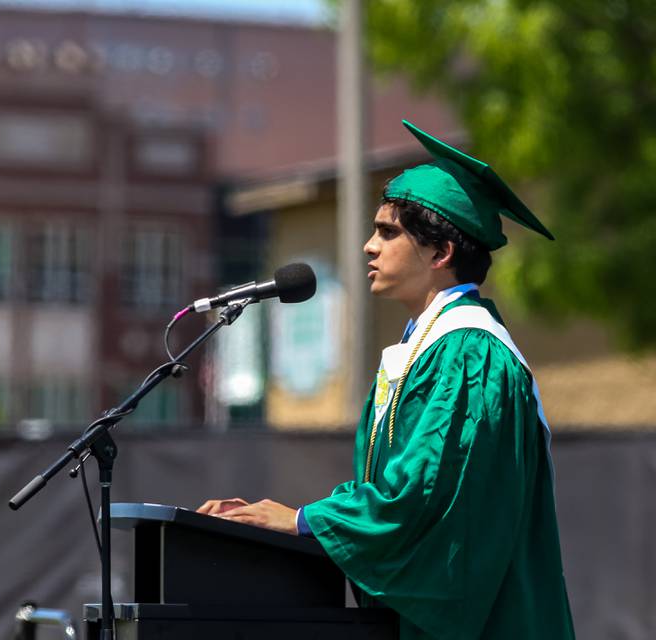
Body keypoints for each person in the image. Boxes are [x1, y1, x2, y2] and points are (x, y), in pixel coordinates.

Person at [198, 120, 576, 639]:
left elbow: (421, 495)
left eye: (388, 232)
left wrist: (306, 521)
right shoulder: (425, 349)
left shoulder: (470, 354)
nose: (367, 248)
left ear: (441, 253)